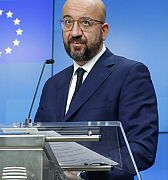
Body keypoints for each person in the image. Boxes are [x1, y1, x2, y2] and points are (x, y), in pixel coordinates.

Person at [34, 0, 158, 179]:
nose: (75, 32)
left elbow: (141, 148)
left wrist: (82, 174)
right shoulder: (52, 84)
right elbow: (37, 144)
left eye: (86, 23)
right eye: (68, 22)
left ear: (104, 30)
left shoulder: (130, 74)